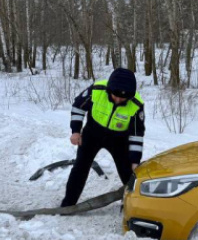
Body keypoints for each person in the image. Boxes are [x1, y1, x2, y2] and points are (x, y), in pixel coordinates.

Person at [61, 68, 145, 207]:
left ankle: (134, 204)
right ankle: (68, 204)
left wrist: (135, 160)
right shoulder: (97, 89)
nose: (118, 100)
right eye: (115, 96)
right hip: (92, 133)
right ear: (109, 89)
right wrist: (75, 131)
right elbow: (78, 107)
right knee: (80, 167)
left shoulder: (136, 104)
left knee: (128, 172)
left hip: (119, 139)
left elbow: (137, 134)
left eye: (122, 98)